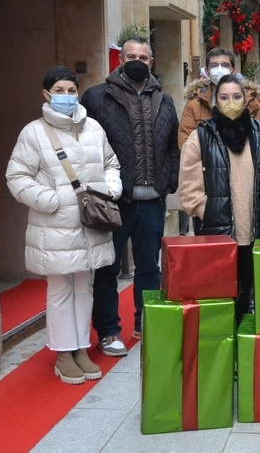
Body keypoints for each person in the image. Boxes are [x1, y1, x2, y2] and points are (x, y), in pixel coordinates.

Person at [6, 66, 122, 384]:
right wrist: (50, 200)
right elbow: (16, 177)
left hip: (92, 223)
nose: (67, 96)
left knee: (85, 287)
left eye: (72, 90)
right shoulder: (34, 133)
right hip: (54, 226)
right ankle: (63, 353)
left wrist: (111, 188)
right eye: (60, 90)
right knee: (59, 288)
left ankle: (81, 346)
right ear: (46, 94)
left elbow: (111, 162)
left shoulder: (94, 128)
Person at [81, 36, 179, 355]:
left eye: (144, 56)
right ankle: (108, 331)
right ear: (120, 59)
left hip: (153, 200)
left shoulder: (164, 99)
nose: (138, 61)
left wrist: (169, 181)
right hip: (114, 200)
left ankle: (146, 321)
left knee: (149, 265)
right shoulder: (97, 97)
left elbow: (171, 147)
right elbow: (83, 146)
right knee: (107, 266)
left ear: (151, 62)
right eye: (131, 55)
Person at [179, 75, 260, 325]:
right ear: (215, 101)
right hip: (218, 232)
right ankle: (223, 350)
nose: (231, 102)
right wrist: (210, 213)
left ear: (246, 100)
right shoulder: (201, 136)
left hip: (257, 231)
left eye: (237, 97)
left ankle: (246, 351)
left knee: (249, 294)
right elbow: (189, 188)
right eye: (224, 98)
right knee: (220, 296)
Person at [178, 47, 260, 148]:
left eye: (225, 65)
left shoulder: (251, 102)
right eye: (214, 65)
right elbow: (186, 144)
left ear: (233, 70)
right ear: (207, 71)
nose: (219, 69)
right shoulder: (195, 104)